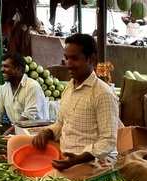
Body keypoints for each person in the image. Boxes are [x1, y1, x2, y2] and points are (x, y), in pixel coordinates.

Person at [31, 34, 119, 172]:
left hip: (94, 161)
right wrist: (46, 133)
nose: (68, 64)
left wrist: (79, 159)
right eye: (66, 58)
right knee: (17, 143)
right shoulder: (69, 87)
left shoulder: (103, 94)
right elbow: (61, 123)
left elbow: (108, 141)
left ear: (91, 59)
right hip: (68, 156)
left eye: (74, 58)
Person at [0, 52, 47, 128]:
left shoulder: (32, 86)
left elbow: (28, 117)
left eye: (6, 66)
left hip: (35, 132)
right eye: (2, 66)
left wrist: (6, 135)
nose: (2, 70)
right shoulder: (3, 89)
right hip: (17, 131)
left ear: (18, 69)